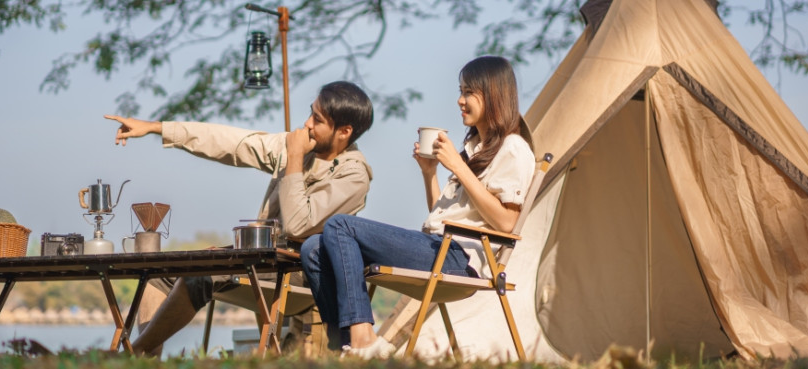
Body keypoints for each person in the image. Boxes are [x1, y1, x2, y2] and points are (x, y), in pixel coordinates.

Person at [106, 81, 375, 355]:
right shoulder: (301, 147)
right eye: (311, 113)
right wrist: (157, 127)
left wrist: (294, 156)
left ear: (344, 131)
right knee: (160, 274)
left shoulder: (353, 176)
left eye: (317, 119)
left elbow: (298, 225)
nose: (306, 124)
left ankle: (132, 353)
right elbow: (233, 142)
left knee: (200, 276)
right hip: (260, 261)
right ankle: (148, 360)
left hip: (301, 275)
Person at [300, 56, 535, 359]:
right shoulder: (477, 147)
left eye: (468, 92)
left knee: (339, 225)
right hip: (439, 245)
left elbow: (506, 223)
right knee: (313, 248)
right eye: (460, 91)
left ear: (494, 95)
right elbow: (443, 217)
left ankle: (362, 340)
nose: (460, 100)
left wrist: (458, 167)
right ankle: (342, 346)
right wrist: (430, 172)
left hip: (461, 259)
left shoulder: (513, 148)